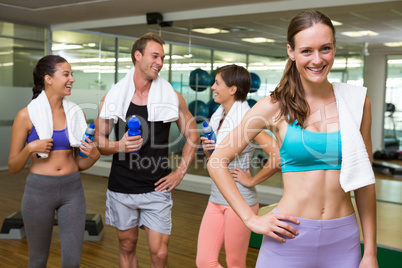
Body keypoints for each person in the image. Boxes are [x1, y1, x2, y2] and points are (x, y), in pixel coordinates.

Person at [207, 10, 378, 268]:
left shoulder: (357, 103)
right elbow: (216, 161)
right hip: (288, 237)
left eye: (325, 49)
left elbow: (364, 181)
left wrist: (371, 253)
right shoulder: (273, 107)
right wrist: (250, 219)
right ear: (291, 51)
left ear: (334, 48)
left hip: (343, 240)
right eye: (306, 51)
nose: (317, 59)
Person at [95, 32, 199, 268]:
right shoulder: (111, 98)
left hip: (157, 186)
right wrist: (119, 145)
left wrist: (180, 172)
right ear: (137, 56)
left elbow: (192, 134)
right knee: (127, 246)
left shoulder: (172, 97)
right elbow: (99, 142)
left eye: (162, 57)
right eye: (155, 56)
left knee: (159, 254)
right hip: (122, 186)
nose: (160, 63)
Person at [8, 55, 100, 267]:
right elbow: (13, 166)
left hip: (72, 189)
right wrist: (31, 148)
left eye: (72, 74)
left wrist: (93, 158)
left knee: (72, 261)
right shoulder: (26, 116)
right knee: (38, 260)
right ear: (48, 79)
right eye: (66, 74)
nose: (72, 79)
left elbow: (79, 164)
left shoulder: (76, 114)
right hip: (39, 191)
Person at [196, 64, 280, 268]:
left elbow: (277, 156)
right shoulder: (218, 118)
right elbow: (215, 161)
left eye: (217, 83)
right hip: (216, 198)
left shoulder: (247, 120)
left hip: (240, 199)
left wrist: (251, 180)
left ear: (233, 89)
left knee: (235, 263)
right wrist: (208, 149)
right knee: (204, 261)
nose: (213, 87)